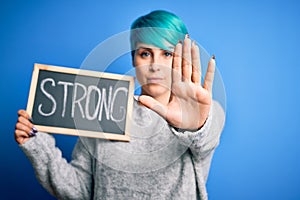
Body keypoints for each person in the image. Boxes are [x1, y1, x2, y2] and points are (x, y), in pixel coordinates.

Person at [15, 10, 225, 200]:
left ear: (181, 58)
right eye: (145, 53)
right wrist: (37, 145)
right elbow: (81, 191)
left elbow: (206, 137)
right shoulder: (104, 108)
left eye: (167, 54)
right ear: (134, 59)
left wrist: (195, 126)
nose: (155, 66)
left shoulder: (205, 113)